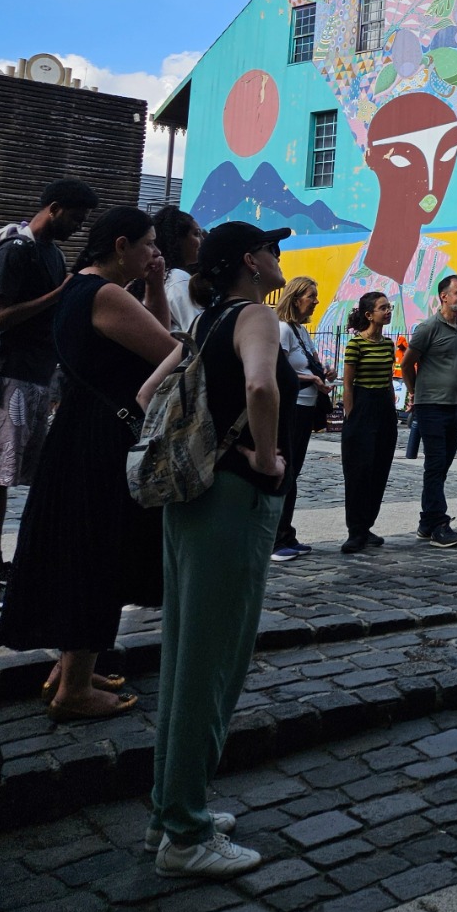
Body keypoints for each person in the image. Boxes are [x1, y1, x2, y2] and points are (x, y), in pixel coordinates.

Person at [145, 219, 296, 878]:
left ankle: (173, 808)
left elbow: (147, 394)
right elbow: (262, 386)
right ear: (248, 262)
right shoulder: (256, 317)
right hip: (233, 502)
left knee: (186, 659)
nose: (279, 256)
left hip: (192, 498)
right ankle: (185, 836)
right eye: (270, 248)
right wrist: (263, 457)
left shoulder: (205, 323)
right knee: (214, 665)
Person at [0, 206, 178, 718]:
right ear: (121, 246)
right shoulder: (105, 294)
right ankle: (74, 690)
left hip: (80, 428)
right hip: (104, 435)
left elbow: (149, 335)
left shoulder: (81, 288)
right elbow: (167, 352)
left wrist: (156, 285)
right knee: (97, 551)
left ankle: (70, 668)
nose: (155, 253)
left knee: (79, 545)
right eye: (148, 244)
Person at [0, 178, 97, 585]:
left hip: (38, 375)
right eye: (75, 217)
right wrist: (57, 296)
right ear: (53, 208)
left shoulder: (53, 254)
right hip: (10, 374)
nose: (78, 226)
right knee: (0, 476)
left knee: (17, 475)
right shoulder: (15, 250)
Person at [401, 274, 457, 548]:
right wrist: (414, 393)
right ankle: (439, 524)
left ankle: (426, 523)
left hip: (454, 406)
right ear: (444, 296)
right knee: (436, 464)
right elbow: (407, 364)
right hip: (430, 406)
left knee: (443, 466)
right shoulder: (428, 327)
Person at [272, 277, 336, 561]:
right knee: (287, 470)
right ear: (296, 298)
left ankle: (286, 533)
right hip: (293, 408)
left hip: (307, 407)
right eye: (311, 296)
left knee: (293, 471)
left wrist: (323, 373)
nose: (316, 301)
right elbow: (278, 370)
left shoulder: (300, 330)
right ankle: (277, 538)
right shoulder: (283, 329)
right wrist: (311, 378)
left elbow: (305, 366)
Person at [340, 292, 397, 553]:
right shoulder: (356, 344)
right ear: (368, 314)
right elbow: (347, 385)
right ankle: (355, 530)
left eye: (389, 307)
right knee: (358, 470)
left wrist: (392, 407)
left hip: (384, 407)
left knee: (379, 468)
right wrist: (350, 416)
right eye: (382, 308)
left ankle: (367, 525)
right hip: (362, 405)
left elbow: (388, 379)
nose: (388, 311)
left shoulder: (388, 345)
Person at [152, 205, 205, 333]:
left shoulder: (159, 277)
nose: (202, 240)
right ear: (178, 239)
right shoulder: (177, 278)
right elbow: (198, 331)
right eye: (196, 234)